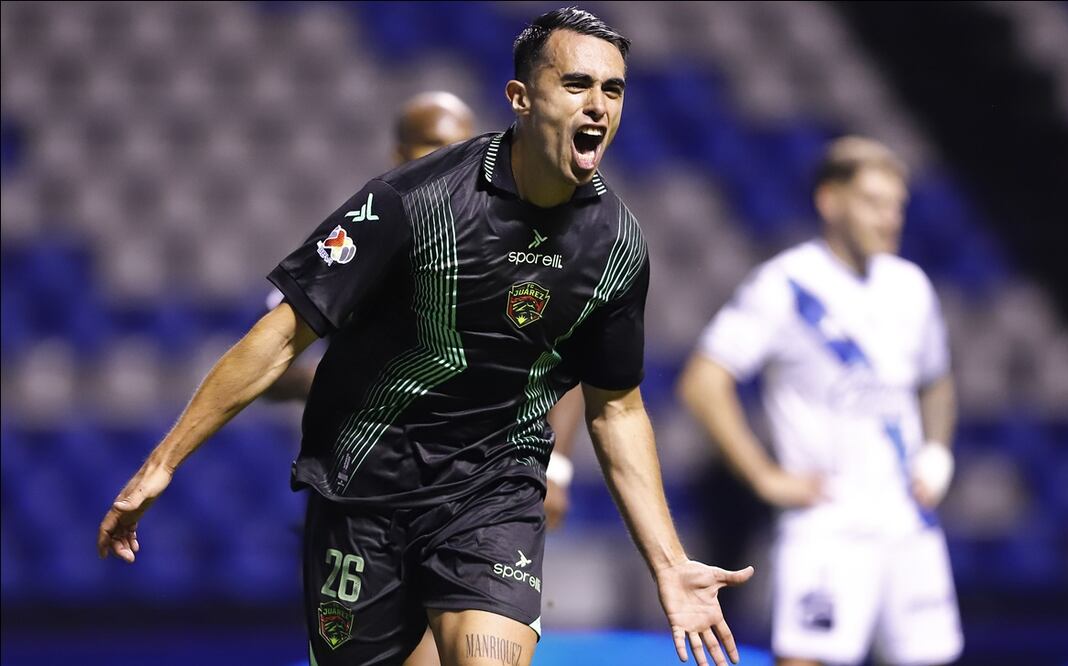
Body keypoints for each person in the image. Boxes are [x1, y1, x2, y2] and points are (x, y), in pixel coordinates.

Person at [98, 8, 753, 666]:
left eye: (612, 90)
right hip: (363, 490)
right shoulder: (412, 202)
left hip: (491, 493)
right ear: (521, 99)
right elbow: (278, 339)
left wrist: (668, 564)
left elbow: (617, 406)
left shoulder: (617, 247)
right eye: (577, 84)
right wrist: (163, 464)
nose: (599, 105)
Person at [262, 89, 584, 666]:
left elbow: (565, 362)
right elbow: (272, 356)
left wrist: (556, 466)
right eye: (435, 144)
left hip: (474, 487)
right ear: (399, 151)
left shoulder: (508, 243)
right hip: (363, 485)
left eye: (461, 142)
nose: (452, 155)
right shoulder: (363, 234)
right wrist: (367, 382)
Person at [678, 136, 964, 666]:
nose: (890, 218)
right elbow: (702, 381)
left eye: (897, 205)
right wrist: (765, 477)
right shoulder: (786, 286)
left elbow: (938, 379)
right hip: (827, 523)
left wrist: (939, 453)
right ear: (830, 202)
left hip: (908, 521)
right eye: (875, 203)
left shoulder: (911, 287)